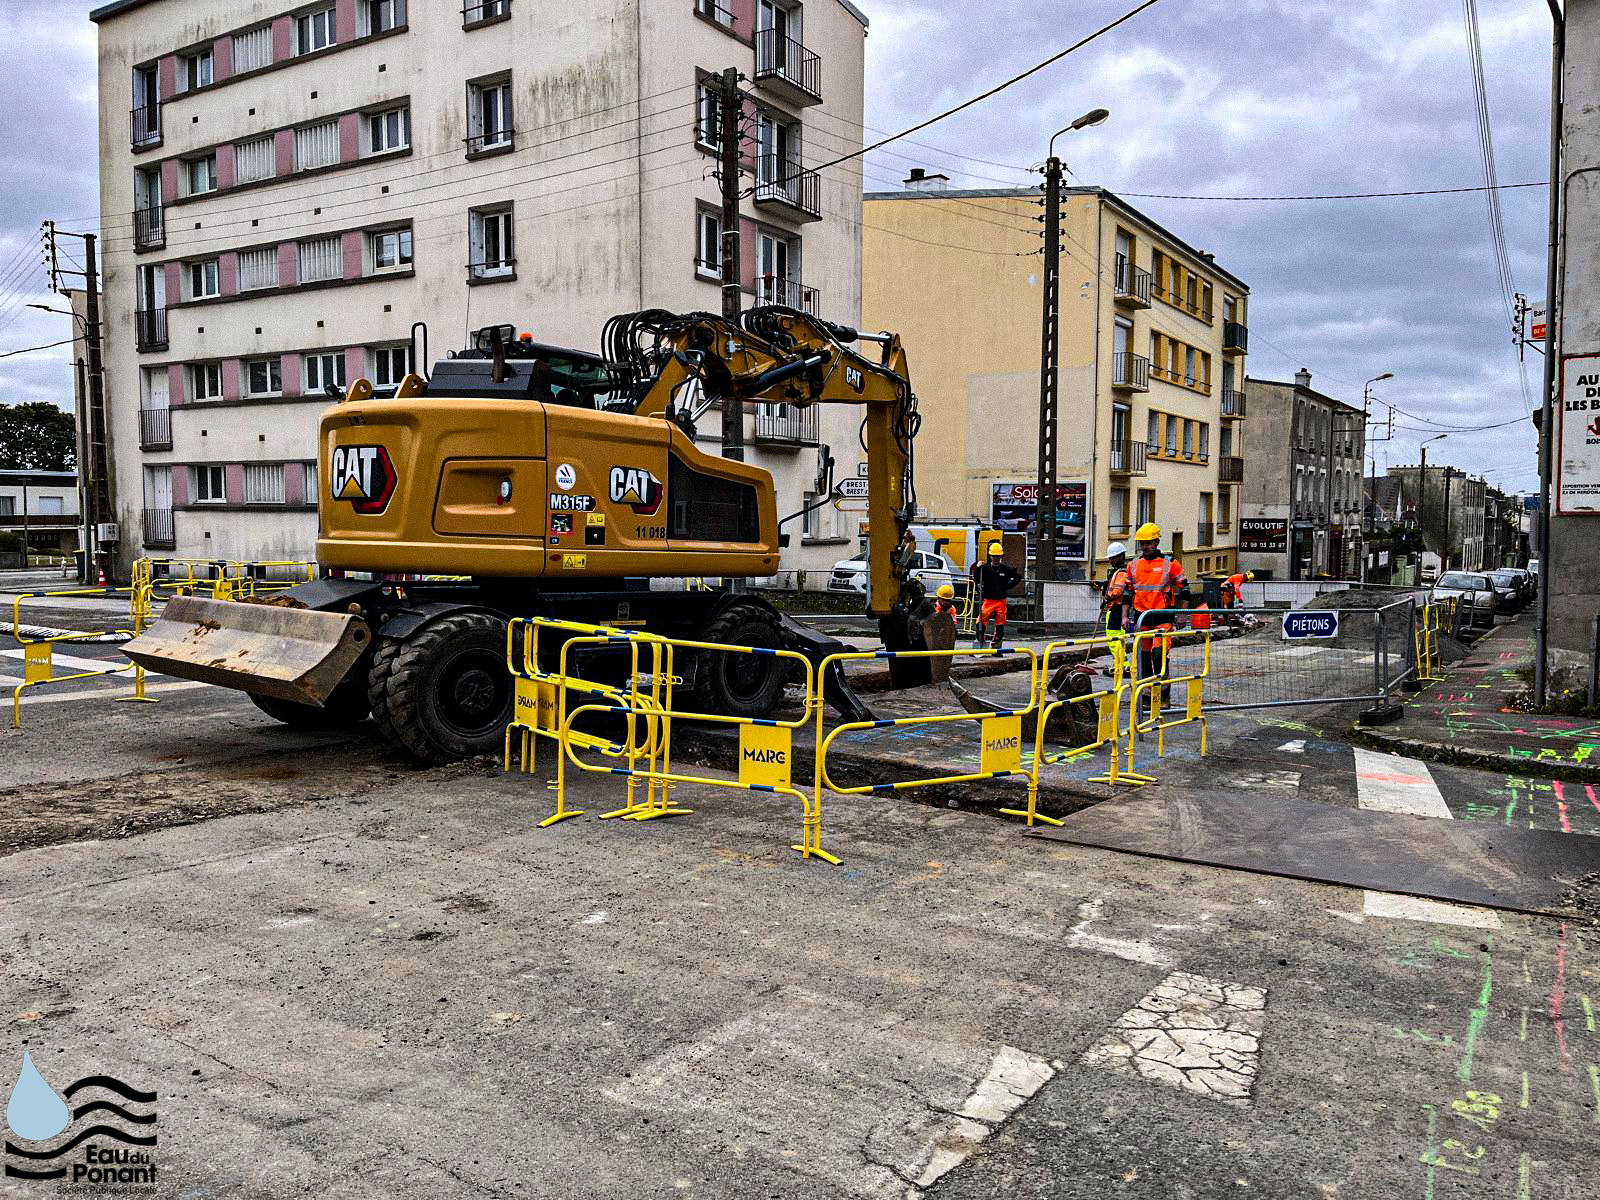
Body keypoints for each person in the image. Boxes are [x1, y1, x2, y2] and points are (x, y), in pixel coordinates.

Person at [1127, 522, 1186, 698]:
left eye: (1148, 543)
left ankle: (1164, 694)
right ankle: (1146, 695)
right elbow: (1127, 592)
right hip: (1141, 618)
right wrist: (1124, 616)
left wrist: (1181, 614)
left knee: (1159, 655)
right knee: (1143, 657)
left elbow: (1185, 588)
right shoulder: (1134, 565)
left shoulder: (1170, 564)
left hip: (1162, 617)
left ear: (1157, 543)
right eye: (1142, 543)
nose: (1145, 547)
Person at [974, 542, 1021, 649]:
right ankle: (980, 641)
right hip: (988, 600)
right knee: (981, 621)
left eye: (998, 556)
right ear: (990, 556)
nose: (996, 558)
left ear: (1001, 557)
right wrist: (977, 568)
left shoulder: (1005, 569)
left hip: (1001, 600)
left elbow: (1018, 577)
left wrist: (1006, 587)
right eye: (994, 556)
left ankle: (997, 646)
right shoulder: (985, 568)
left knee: (1000, 624)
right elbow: (976, 579)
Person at [1099, 541, 1131, 633]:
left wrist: (1106, 598)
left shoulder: (1122, 573)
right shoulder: (1116, 572)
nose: (1110, 561)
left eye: (1113, 558)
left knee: (1114, 638)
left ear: (1121, 557)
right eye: (1110, 558)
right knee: (1112, 638)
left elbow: (1117, 591)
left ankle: (1117, 648)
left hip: (1117, 608)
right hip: (1113, 608)